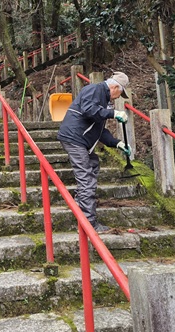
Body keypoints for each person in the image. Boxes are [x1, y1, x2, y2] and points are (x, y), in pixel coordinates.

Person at [57, 71, 132, 234]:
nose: (118, 97)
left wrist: (117, 143)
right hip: (74, 138)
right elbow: (89, 110)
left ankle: (80, 203)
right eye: (120, 93)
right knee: (86, 179)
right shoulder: (94, 90)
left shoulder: (103, 99)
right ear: (115, 87)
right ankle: (88, 223)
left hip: (79, 139)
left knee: (93, 164)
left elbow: (100, 130)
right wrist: (113, 114)